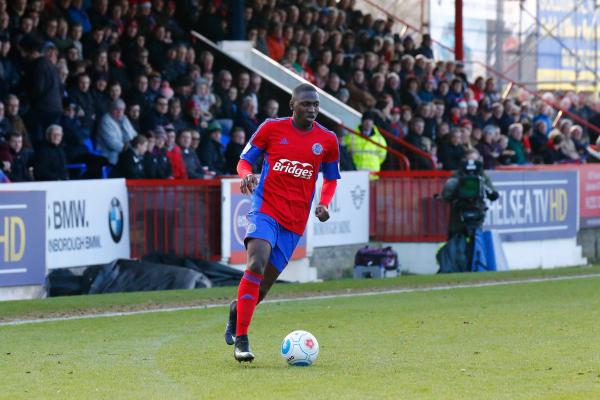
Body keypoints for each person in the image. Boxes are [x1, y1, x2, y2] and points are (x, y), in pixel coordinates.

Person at [224, 84, 340, 363]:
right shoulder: (270, 129)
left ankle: (236, 310)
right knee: (255, 262)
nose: (312, 110)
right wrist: (247, 174)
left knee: (262, 288)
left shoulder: (327, 140)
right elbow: (244, 161)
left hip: (295, 221)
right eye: (306, 104)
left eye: (316, 105)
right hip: (266, 209)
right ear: (292, 105)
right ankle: (242, 339)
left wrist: (323, 203)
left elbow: (332, 178)